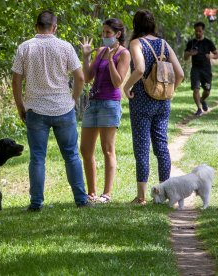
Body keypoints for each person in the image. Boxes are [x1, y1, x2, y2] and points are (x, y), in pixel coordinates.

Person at [11, 10, 91, 211]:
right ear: (54, 27)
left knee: (37, 157)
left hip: (36, 110)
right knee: (71, 155)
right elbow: (80, 78)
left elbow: (16, 80)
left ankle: (36, 202)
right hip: (63, 108)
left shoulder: (25, 47)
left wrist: (21, 106)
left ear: (36, 26)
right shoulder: (65, 47)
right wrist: (73, 98)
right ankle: (81, 199)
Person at [123, 10, 184, 205]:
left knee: (142, 148)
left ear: (136, 25)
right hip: (162, 102)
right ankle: (165, 193)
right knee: (161, 147)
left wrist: (127, 86)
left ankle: (141, 197)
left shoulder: (136, 43)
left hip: (141, 101)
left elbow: (139, 69)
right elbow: (180, 73)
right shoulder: (164, 44)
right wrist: (168, 91)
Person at [79, 18, 130, 203]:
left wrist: (110, 62)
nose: (104, 36)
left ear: (117, 34)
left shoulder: (124, 54)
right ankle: (91, 193)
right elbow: (87, 78)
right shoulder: (100, 51)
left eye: (108, 33)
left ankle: (106, 194)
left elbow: (118, 82)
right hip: (93, 104)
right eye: (103, 33)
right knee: (85, 149)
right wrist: (85, 56)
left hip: (110, 103)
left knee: (107, 149)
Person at [184, 22, 218, 116]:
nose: (197, 33)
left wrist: (211, 56)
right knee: (196, 89)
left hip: (206, 70)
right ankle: (199, 109)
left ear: (203, 30)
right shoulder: (191, 43)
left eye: (199, 31)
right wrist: (190, 53)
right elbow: (185, 57)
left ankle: (202, 100)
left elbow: (217, 55)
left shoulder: (208, 42)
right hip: (195, 69)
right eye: (196, 31)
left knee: (207, 91)